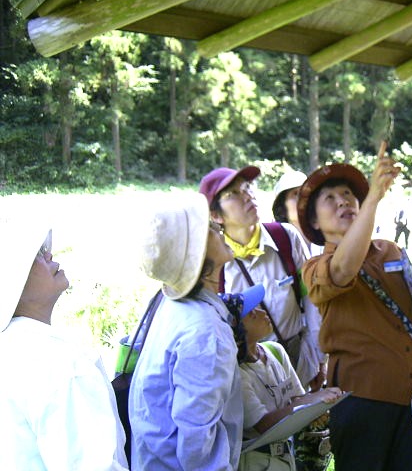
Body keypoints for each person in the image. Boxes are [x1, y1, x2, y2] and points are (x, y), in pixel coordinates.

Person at [296, 144, 412, 471]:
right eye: (329, 198)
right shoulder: (315, 267)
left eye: (348, 194)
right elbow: (342, 270)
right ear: (315, 223)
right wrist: (374, 198)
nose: (343, 201)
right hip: (361, 401)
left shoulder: (390, 250)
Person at [129, 193, 244, 470]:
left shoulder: (171, 306)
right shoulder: (205, 332)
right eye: (208, 227)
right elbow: (197, 447)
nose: (218, 227)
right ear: (197, 252)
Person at [0, 222, 128, 471]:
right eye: (37, 254)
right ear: (12, 279)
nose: (49, 255)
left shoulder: (11, 347)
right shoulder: (62, 363)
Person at [199, 166, 324, 392]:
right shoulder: (216, 263)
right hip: (255, 372)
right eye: (233, 193)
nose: (247, 195)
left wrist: (317, 357)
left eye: (247, 187)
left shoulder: (285, 237)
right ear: (216, 215)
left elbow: (311, 299)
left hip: (301, 356)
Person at [237, 302, 342, 471]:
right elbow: (263, 424)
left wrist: (315, 408)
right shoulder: (238, 373)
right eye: (252, 314)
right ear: (237, 330)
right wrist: (310, 400)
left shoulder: (275, 350)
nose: (263, 312)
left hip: (286, 456)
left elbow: (297, 398)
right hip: (256, 461)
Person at [272, 169, 331, 471]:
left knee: (314, 438)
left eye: (308, 194)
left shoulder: (326, 244)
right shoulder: (275, 246)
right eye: (295, 195)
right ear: (281, 205)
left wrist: (320, 360)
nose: (302, 201)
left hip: (317, 354)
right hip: (282, 355)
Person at [272, 169, 323, 257]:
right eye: (295, 194)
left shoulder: (327, 238)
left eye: (306, 193)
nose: (303, 198)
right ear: (282, 209)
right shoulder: (276, 246)